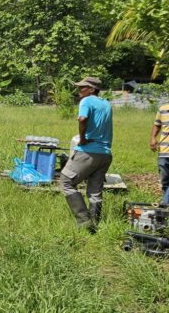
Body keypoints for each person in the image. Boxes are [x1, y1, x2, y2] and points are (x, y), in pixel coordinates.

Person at [60, 77, 113, 232]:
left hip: (88, 152)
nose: (79, 90)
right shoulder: (106, 103)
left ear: (91, 89)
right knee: (95, 191)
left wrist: (82, 139)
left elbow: (82, 119)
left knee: (66, 181)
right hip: (105, 154)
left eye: (82, 87)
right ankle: (94, 225)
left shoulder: (86, 100)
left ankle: (84, 221)